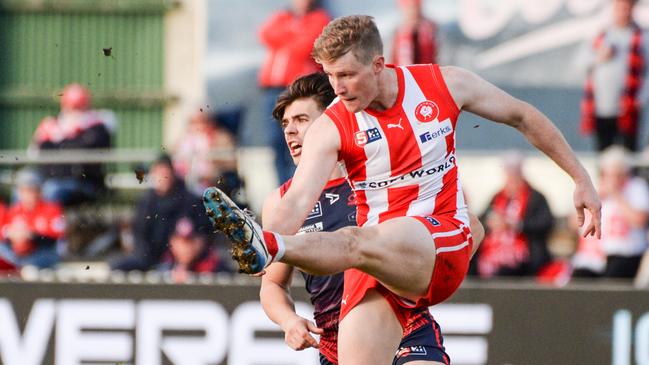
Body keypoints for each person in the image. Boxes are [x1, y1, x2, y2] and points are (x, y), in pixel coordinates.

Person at [204, 15, 601, 364]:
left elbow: (521, 115)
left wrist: (581, 178)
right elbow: (296, 204)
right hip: (380, 268)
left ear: (379, 64)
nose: (337, 89)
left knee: (355, 242)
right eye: (329, 76)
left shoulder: (444, 84)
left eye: (346, 75)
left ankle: (271, 245)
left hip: (439, 237)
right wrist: (269, 224)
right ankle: (268, 244)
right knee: (359, 253)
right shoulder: (332, 127)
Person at [260, 72, 471, 364]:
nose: (290, 131)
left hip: (406, 325)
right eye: (286, 123)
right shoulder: (281, 202)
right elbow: (271, 284)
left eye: (301, 120)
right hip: (339, 345)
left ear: (330, 122)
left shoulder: (379, 177)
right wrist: (288, 321)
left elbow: (460, 225)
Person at [258, 0, 330, 184]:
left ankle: (300, 184)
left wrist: (284, 37)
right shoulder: (283, 16)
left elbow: (304, 47)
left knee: (299, 139)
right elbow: (265, 34)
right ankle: (284, 186)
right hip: (272, 90)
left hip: (297, 91)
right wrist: (293, 33)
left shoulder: (319, 18)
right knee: (276, 141)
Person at [110, 154, 210, 272]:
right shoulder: (146, 201)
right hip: (148, 259)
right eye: (159, 173)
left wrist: (185, 258)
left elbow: (200, 236)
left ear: (172, 174)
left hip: (181, 261)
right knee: (116, 266)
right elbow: (139, 234)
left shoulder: (189, 200)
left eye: (165, 173)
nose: (162, 178)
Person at [577, 0, 649, 152]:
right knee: (603, 152)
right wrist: (599, 57)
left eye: (627, 6)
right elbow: (580, 63)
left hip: (628, 108)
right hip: (602, 108)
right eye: (619, 6)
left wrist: (640, 99)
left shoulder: (642, 37)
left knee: (628, 153)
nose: (623, 11)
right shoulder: (600, 36)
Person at [31, 83, 116, 205]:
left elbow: (85, 148)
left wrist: (62, 141)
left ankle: (51, 223)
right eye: (71, 106)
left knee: (52, 190)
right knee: (25, 188)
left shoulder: (97, 126)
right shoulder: (52, 125)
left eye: (78, 106)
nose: (74, 111)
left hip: (83, 183)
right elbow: (37, 151)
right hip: (51, 178)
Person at [473, 151, 554, 278]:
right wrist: (492, 223)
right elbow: (482, 220)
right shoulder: (497, 197)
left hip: (524, 253)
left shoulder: (535, 198)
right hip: (493, 250)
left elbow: (545, 223)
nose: (511, 179)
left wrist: (518, 225)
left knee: (506, 271)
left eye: (514, 174)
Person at [597, 146, 649, 278]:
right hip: (601, 254)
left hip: (629, 253)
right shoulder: (600, 191)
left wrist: (616, 195)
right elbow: (575, 224)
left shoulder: (637, 188)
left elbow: (639, 220)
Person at [0, 168, 65, 269]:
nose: (28, 195)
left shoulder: (52, 209)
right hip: (17, 255)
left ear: (39, 191)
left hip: (41, 254)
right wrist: (12, 234)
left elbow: (55, 238)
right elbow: (4, 233)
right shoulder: (15, 210)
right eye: (24, 190)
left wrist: (31, 235)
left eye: (32, 190)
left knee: (36, 263)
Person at [173, 108, 238, 195]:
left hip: (216, 183)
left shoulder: (221, 138)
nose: (198, 126)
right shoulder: (183, 140)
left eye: (202, 121)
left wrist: (213, 164)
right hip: (188, 185)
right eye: (193, 122)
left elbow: (231, 162)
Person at [158, 216, 226, 283]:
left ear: (201, 241)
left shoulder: (215, 268)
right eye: (181, 241)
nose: (186, 247)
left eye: (191, 241)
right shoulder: (164, 268)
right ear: (172, 241)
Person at [391, 0, 438, 66]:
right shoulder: (398, 34)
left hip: (429, 72)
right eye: (409, 8)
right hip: (405, 73)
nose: (413, 11)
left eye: (415, 7)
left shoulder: (431, 29)